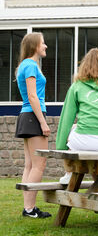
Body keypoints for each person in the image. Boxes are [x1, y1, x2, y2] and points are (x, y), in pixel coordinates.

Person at [56, 48, 98, 162]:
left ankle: (70, 172)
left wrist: (61, 146)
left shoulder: (77, 86)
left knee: (74, 127)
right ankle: (97, 178)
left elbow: (67, 118)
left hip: (84, 141)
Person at [15, 32, 51, 218]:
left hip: (28, 116)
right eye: (43, 43)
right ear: (35, 46)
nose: (45, 46)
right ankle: (29, 209)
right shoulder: (30, 65)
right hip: (33, 116)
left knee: (30, 165)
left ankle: (29, 208)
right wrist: (43, 122)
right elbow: (32, 96)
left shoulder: (26, 65)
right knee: (39, 164)